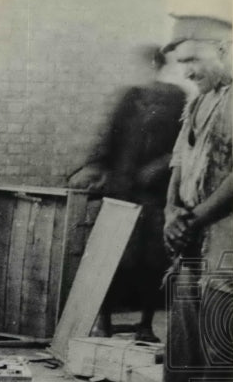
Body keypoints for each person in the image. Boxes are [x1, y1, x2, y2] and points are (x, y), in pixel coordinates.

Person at [69, 44, 186, 342]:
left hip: (154, 194)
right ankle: (103, 322)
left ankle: (145, 327)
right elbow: (107, 139)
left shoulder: (176, 98)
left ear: (156, 65)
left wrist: (159, 167)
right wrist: (93, 168)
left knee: (152, 260)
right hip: (120, 191)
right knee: (111, 255)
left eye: (144, 65)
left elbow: (183, 144)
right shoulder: (128, 98)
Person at [160, 15, 233, 382]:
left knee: (218, 350)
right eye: (181, 62)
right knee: (183, 349)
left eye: (193, 60)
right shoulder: (198, 103)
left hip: (226, 245)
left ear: (224, 48)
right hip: (191, 241)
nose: (187, 72)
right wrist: (171, 213)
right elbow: (178, 166)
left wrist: (195, 219)